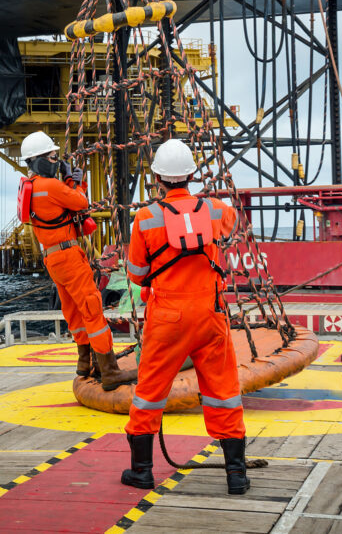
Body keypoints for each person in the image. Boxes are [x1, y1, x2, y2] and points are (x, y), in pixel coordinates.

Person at [121, 138, 250, 495]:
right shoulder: (214, 209)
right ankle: (236, 474)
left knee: (149, 392)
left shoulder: (145, 217)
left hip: (168, 317)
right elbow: (232, 223)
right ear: (192, 174)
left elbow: (135, 271)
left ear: (157, 177)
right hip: (210, 313)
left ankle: (142, 471)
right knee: (224, 391)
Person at [20, 131, 136, 391]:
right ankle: (109, 371)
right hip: (68, 255)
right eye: (52, 157)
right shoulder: (51, 186)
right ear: (40, 160)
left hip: (52, 257)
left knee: (72, 310)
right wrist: (74, 183)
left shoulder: (33, 187)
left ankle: (85, 364)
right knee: (92, 308)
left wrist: (70, 183)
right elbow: (81, 203)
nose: (56, 161)